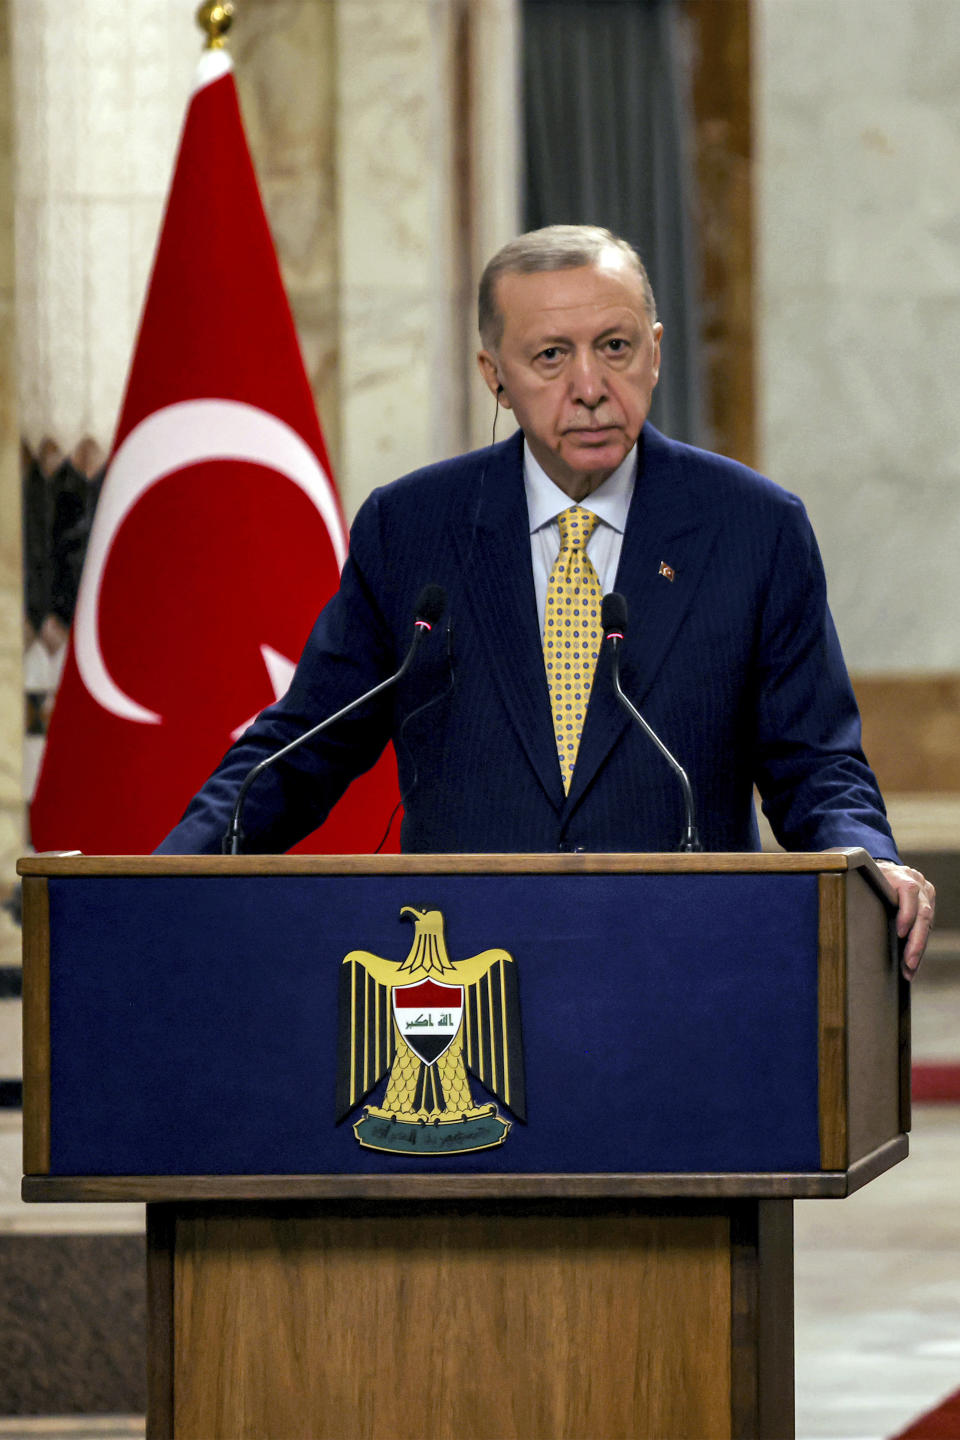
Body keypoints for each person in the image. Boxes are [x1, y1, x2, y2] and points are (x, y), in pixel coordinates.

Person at [157, 225, 934, 974]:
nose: (591, 388)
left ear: (656, 354)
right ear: (494, 374)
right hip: (461, 972)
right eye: (552, 357)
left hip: (688, 971)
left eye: (616, 348)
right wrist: (157, 879)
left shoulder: (755, 528)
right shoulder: (414, 528)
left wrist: (875, 868)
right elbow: (302, 749)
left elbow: (817, 765)